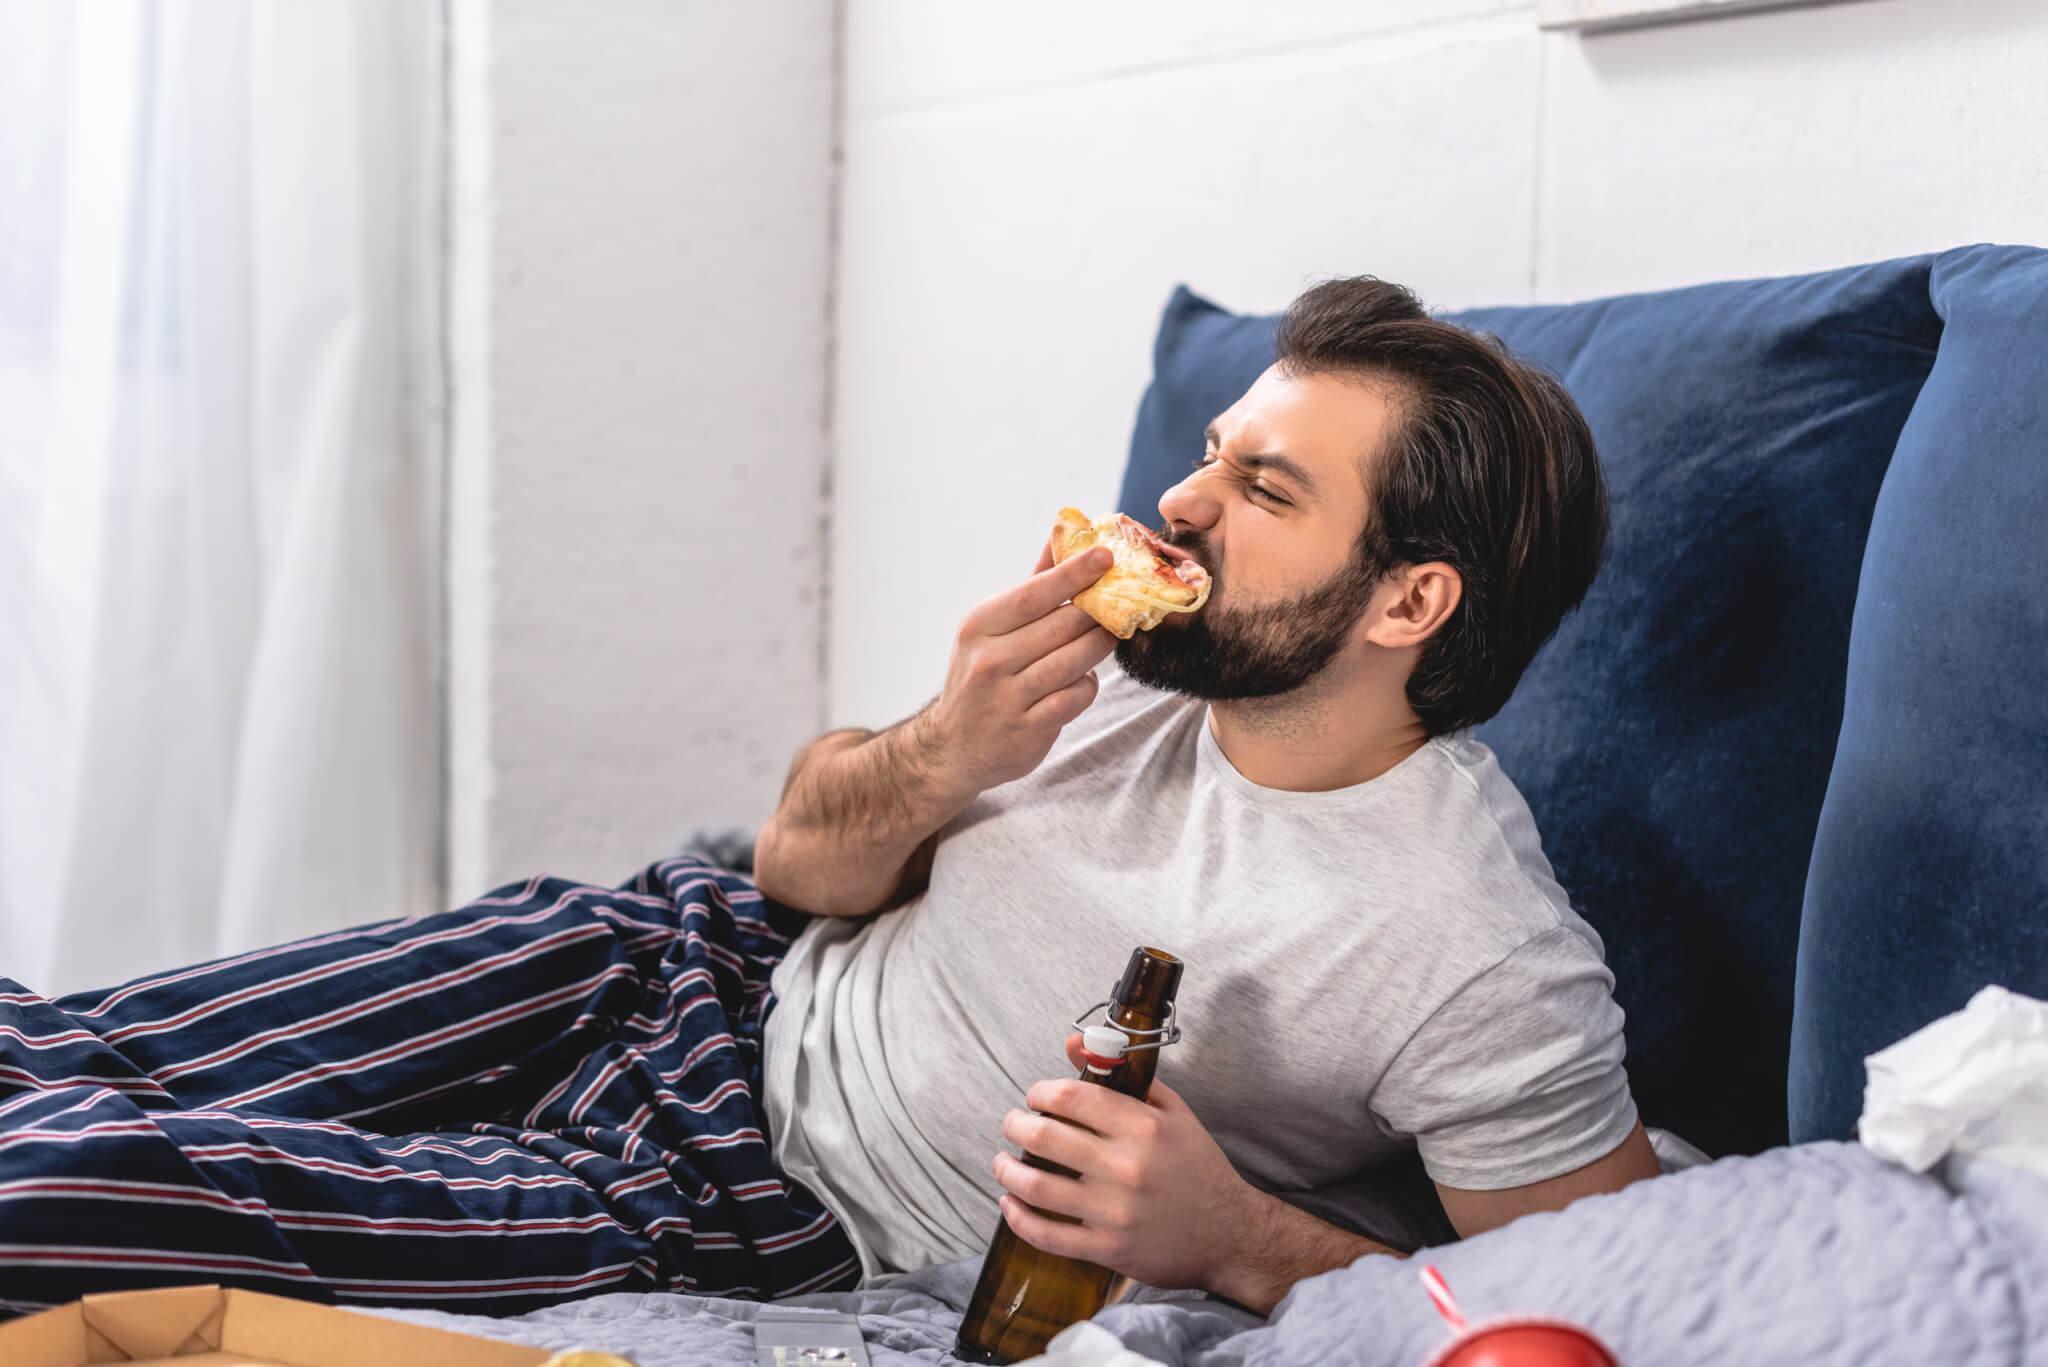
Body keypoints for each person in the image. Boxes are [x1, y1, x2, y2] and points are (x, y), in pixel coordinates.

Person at [0, 277, 1658, 1321]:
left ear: (1408, 606)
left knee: (58, 1196)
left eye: (1261, 488)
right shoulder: (1113, 671)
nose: (1180, 498)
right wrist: (944, 744)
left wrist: (1235, 1236)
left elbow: (1589, 1304)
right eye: (1216, 449)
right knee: (44, 1054)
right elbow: (795, 855)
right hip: (671, 955)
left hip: (749, 1194)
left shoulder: (1470, 950)